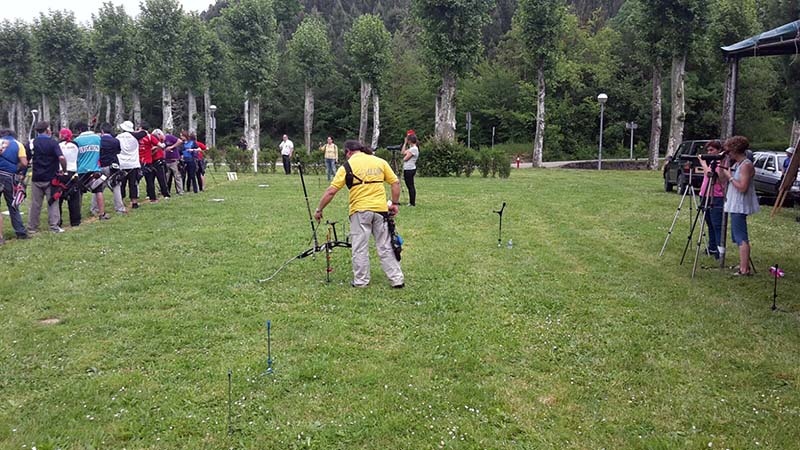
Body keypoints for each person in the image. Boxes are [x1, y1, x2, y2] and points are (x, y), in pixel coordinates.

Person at [314, 140, 404, 288]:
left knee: (360, 247)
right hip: (381, 210)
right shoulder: (379, 162)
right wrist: (394, 203)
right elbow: (395, 183)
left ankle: (361, 281)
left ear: (348, 152)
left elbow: (331, 191)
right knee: (386, 246)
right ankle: (397, 279)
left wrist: (319, 209)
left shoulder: (347, 166)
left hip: (360, 211)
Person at [719, 136, 759, 276]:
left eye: (729, 151)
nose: (728, 154)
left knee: (741, 236)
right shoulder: (737, 164)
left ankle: (744, 269)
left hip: (740, 204)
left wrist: (730, 177)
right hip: (734, 203)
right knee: (736, 235)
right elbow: (722, 179)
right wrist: (723, 165)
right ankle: (743, 263)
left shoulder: (746, 165)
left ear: (735, 150)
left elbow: (742, 187)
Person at [27, 122, 66, 233]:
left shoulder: (32, 143)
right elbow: (61, 158)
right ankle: (54, 226)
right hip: (51, 178)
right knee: (53, 201)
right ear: (47, 130)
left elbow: (27, 159)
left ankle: (32, 227)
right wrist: (64, 169)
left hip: (36, 177)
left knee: (35, 204)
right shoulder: (53, 142)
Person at [74, 122, 109, 221]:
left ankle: (77, 215)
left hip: (81, 170)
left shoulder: (76, 140)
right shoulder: (97, 138)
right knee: (98, 191)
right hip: (95, 169)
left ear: (79, 130)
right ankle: (102, 214)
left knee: (79, 193)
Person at [0, 130, 30, 241]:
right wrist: (16, 168)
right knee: (13, 205)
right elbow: (24, 163)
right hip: (9, 177)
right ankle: (20, 232)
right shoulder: (18, 144)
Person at [697, 140, 724, 259]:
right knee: (709, 223)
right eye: (708, 150)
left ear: (719, 150)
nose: (709, 153)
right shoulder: (712, 162)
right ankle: (712, 247)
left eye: (712, 150)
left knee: (716, 224)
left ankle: (719, 250)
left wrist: (703, 163)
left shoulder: (721, 163)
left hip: (716, 196)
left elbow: (711, 175)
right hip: (705, 194)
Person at [96, 122, 126, 215]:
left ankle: (95, 208)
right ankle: (119, 208)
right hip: (113, 166)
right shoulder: (115, 141)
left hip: (101, 165)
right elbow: (118, 151)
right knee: (116, 186)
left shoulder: (98, 140)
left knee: (98, 188)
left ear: (102, 130)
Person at [57, 128, 81, 226]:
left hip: (60, 172)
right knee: (74, 198)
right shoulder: (75, 145)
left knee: (58, 198)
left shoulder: (58, 145)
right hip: (73, 172)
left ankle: (58, 220)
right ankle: (75, 221)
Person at [116, 121, 142, 209]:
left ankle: (121, 201)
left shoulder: (118, 137)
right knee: (133, 183)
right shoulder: (135, 137)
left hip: (122, 163)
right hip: (133, 163)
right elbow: (144, 133)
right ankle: (134, 202)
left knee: (121, 184)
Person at [401, 133, 419, 206]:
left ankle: (412, 202)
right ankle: (411, 202)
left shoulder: (414, 149)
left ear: (410, 141)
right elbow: (403, 152)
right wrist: (404, 143)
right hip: (408, 168)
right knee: (409, 185)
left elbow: (405, 158)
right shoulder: (412, 149)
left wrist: (405, 156)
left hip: (410, 169)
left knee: (410, 186)